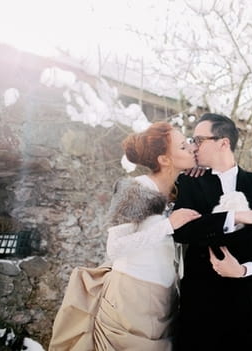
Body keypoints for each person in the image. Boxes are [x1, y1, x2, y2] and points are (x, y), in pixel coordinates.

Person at [49, 122, 201, 351]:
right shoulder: (136, 188)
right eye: (183, 146)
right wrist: (168, 225)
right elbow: (115, 247)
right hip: (129, 299)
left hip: (164, 301)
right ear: (164, 159)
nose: (191, 148)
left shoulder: (178, 190)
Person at [172, 113, 252, 351]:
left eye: (199, 140)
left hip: (247, 298)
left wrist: (244, 270)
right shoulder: (190, 182)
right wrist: (232, 217)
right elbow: (182, 232)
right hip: (200, 298)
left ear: (223, 143)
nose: (193, 146)